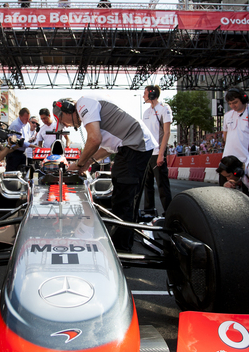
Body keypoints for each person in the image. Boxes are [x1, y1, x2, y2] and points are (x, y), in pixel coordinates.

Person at [53, 96, 154, 252]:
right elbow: (106, 147)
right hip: (134, 145)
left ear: (67, 109)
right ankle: (124, 241)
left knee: (123, 200)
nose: (67, 125)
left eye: (63, 121)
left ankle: (121, 250)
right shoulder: (93, 113)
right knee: (125, 199)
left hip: (134, 145)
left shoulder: (84, 103)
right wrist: (88, 162)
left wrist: (79, 163)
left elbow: (94, 139)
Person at [141, 85, 172, 216]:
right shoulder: (146, 112)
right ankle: (149, 211)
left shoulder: (164, 109)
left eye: (145, 93)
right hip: (147, 153)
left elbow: (167, 133)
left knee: (162, 186)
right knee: (147, 185)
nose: (143, 95)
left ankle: (170, 213)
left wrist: (161, 154)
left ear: (152, 94)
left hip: (157, 153)